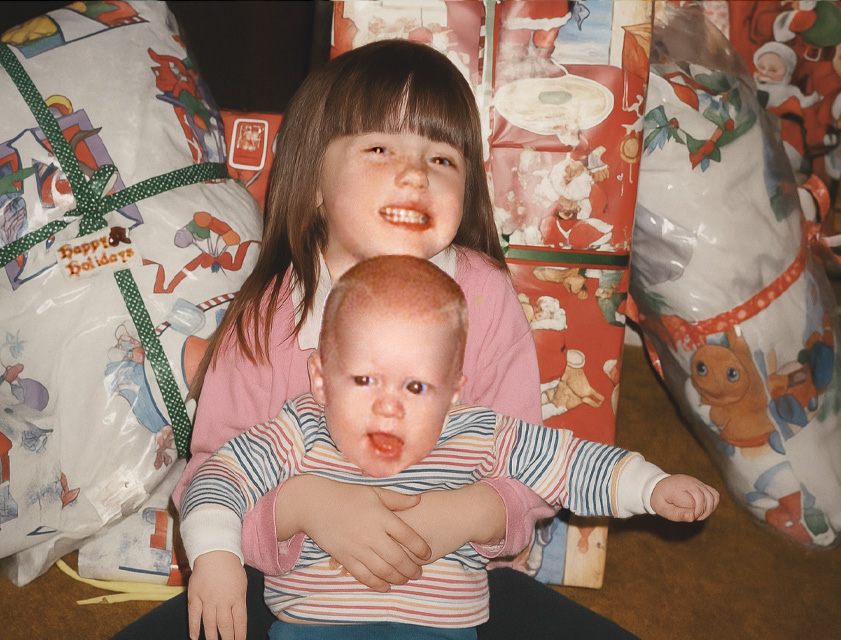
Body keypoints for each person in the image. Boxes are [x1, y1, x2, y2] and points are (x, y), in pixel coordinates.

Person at [112, 39, 639, 640]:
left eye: (442, 158)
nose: (415, 173)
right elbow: (212, 473)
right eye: (380, 148)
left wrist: (467, 513)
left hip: (452, 581)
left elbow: (532, 460)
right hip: (296, 580)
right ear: (314, 181)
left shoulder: (485, 296)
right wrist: (304, 506)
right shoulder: (268, 314)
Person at [180, 255, 720, 640]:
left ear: (454, 391)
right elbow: (217, 478)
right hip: (317, 630)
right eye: (364, 380)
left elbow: (570, 461)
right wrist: (216, 557)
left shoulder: (476, 432)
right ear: (321, 379)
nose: (388, 406)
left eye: (416, 387)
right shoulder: (300, 428)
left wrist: (651, 486)